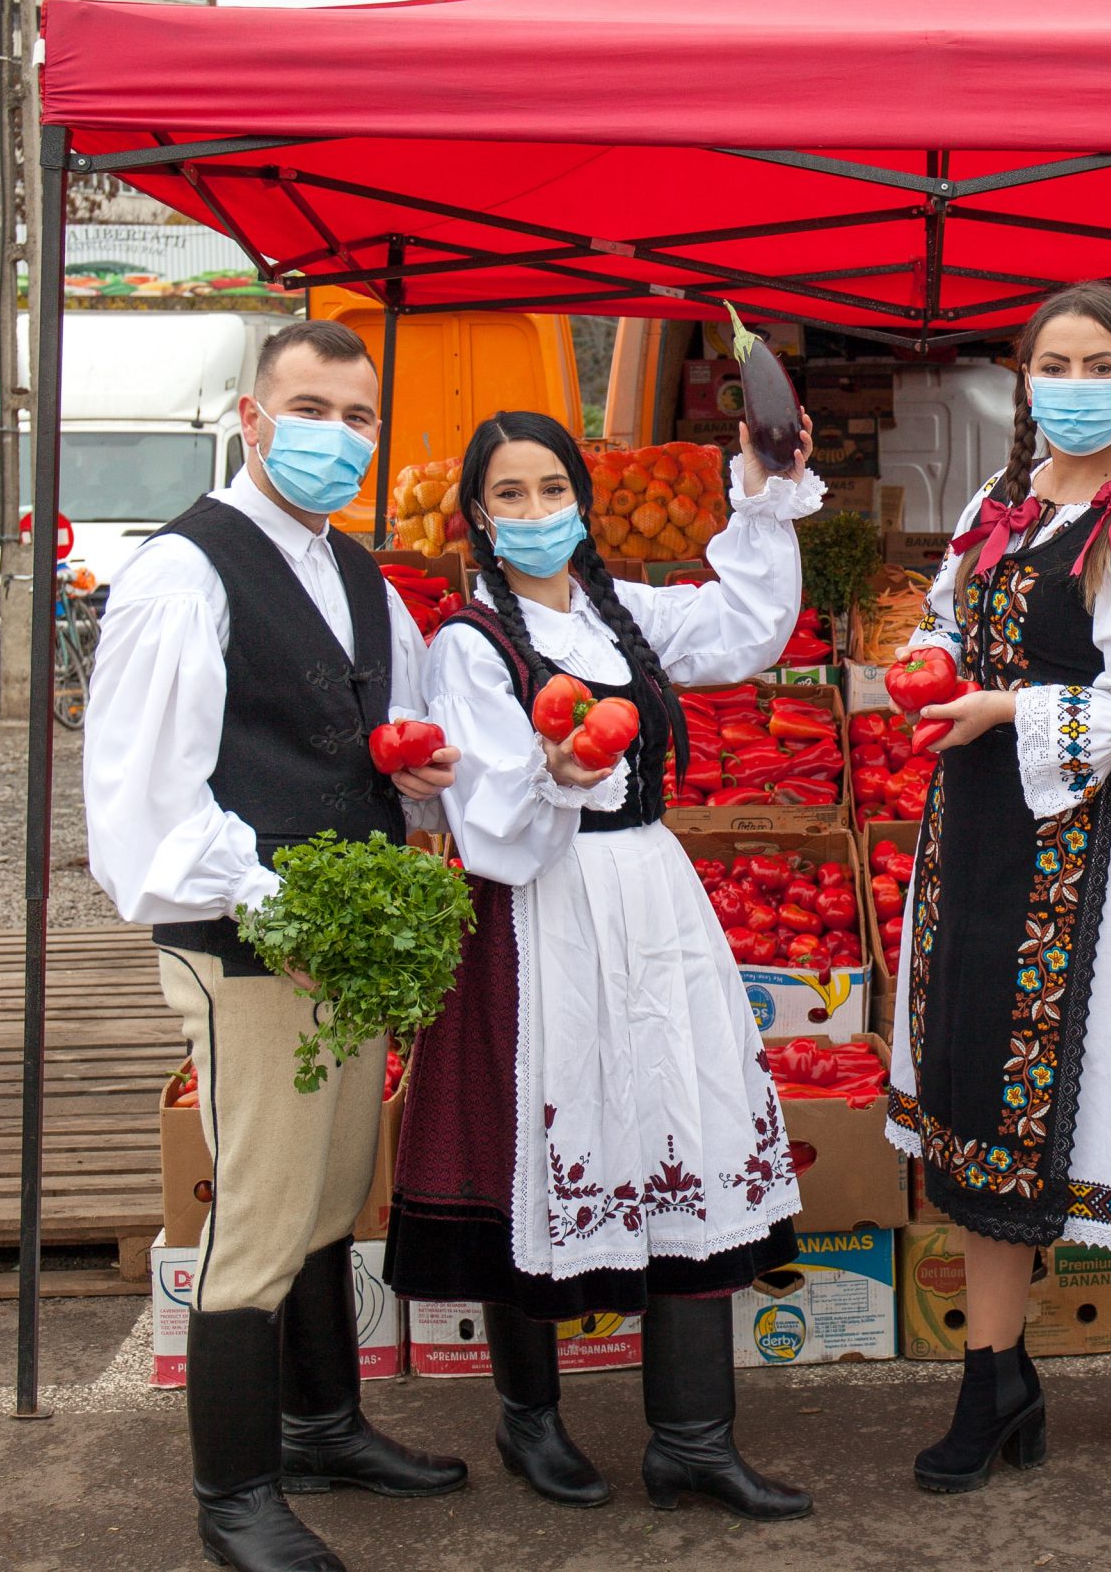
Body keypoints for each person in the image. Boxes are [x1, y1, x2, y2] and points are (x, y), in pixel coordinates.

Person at [385, 409, 824, 1522]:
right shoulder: (468, 648)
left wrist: (765, 492)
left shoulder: (622, 616)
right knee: (547, 1145)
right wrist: (561, 770)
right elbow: (488, 821)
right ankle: (530, 1418)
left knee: (689, 1128)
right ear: (477, 517)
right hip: (541, 913)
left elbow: (750, 625)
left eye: (552, 489)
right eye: (511, 496)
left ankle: (692, 1438)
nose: (537, 513)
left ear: (581, 499)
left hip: (652, 900)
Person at [85, 318, 468, 1572]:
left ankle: (321, 1424)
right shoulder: (184, 573)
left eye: (359, 417)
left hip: (337, 942)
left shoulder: (355, 575)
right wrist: (280, 904)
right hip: (249, 942)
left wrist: (426, 774)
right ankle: (234, 1497)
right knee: (257, 1214)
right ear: (251, 419)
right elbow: (150, 801)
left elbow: (388, 735)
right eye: (311, 410)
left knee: (326, 1186)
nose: (337, 438)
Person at [884, 281, 1111, 1493]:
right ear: (1023, 383)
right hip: (974, 840)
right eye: (1049, 363)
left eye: (1095, 363)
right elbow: (944, 622)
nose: (1069, 384)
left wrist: (1008, 707)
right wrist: (923, 664)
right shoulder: (995, 505)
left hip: (1091, 857)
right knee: (978, 1097)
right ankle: (994, 1379)